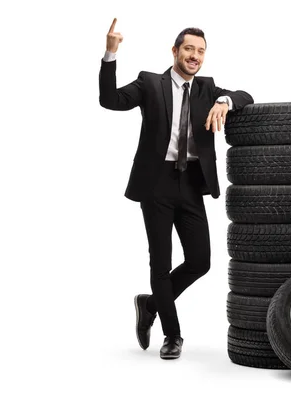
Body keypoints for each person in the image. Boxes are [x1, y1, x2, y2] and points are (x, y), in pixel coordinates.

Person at [99, 18, 254, 360]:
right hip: (156, 182)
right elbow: (109, 100)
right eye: (188, 49)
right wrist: (110, 54)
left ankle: (151, 303)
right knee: (161, 262)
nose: (194, 56)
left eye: (200, 51)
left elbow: (246, 96)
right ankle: (172, 335)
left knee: (200, 261)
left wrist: (225, 101)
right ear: (175, 51)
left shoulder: (207, 88)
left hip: (191, 183)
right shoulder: (149, 84)